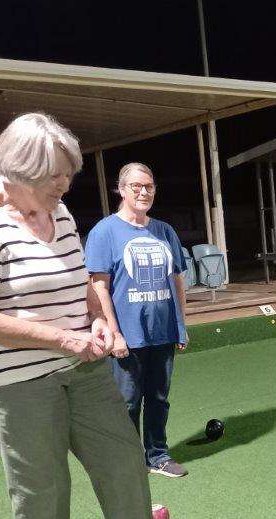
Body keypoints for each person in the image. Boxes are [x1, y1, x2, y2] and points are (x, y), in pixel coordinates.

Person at [0, 113, 192, 519]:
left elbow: (81, 278)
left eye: (67, 174)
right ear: (17, 172)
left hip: (82, 366)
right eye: (54, 175)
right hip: (18, 379)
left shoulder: (58, 212)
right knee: (41, 483)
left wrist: (102, 320)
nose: (65, 185)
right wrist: (60, 336)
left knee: (123, 456)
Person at [84, 163, 189, 478]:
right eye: (136, 186)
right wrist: (114, 333)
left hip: (163, 331)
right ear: (121, 189)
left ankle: (157, 455)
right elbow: (98, 286)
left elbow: (177, 281)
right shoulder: (105, 231)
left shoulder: (164, 231)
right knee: (127, 403)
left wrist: (180, 324)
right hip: (127, 336)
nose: (144, 192)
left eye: (149, 186)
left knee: (159, 399)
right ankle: (126, 460)